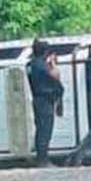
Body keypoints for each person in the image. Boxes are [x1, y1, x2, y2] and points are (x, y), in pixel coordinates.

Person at [27, 39, 64, 168]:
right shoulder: (41, 65)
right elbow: (55, 76)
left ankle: (41, 157)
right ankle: (43, 159)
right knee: (45, 130)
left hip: (39, 99)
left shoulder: (32, 64)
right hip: (45, 100)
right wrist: (53, 63)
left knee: (41, 129)